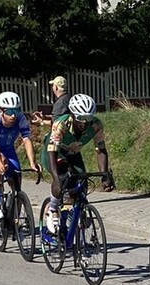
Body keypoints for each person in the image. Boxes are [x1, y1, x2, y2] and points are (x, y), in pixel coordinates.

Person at [41, 94, 114, 233]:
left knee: (82, 181)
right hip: (54, 153)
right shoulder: (61, 124)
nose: (85, 123)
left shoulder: (96, 125)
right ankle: (53, 209)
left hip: (73, 153)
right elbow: (52, 152)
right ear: (72, 115)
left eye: (88, 118)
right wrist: (56, 179)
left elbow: (100, 150)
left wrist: (104, 175)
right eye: (81, 118)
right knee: (63, 177)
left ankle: (74, 211)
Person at [0, 91, 41, 219]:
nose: (13, 115)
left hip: (8, 149)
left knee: (17, 177)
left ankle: (15, 215)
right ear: (1, 111)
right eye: (9, 112)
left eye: (16, 111)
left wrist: (32, 162)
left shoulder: (21, 119)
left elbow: (27, 140)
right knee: (1, 164)